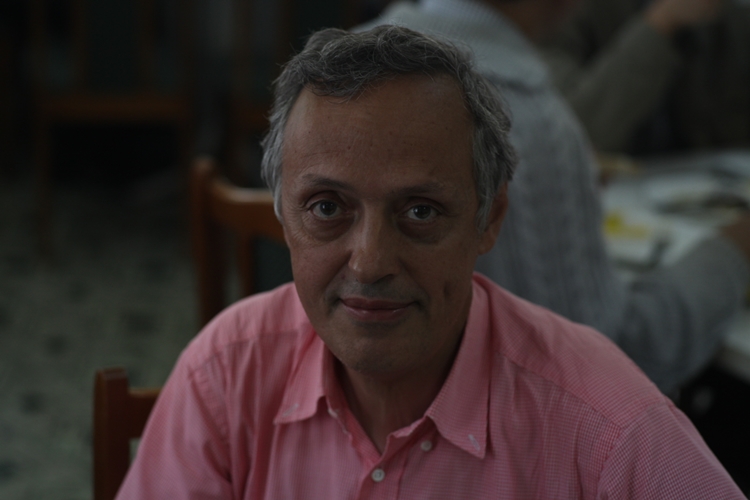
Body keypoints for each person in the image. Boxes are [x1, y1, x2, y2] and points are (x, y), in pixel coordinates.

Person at [116, 25, 744, 499]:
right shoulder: (228, 372)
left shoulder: (607, 427)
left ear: (489, 219)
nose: (370, 263)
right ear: (282, 215)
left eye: (420, 212)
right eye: (327, 208)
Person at [361, 0, 750, 395]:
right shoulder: (532, 121)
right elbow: (599, 367)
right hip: (496, 425)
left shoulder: (344, 69)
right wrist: (733, 249)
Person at [541, 0, 750, 154]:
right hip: (612, 189)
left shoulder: (731, 16)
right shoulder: (561, 11)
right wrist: (660, 23)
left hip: (703, 184)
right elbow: (573, 129)